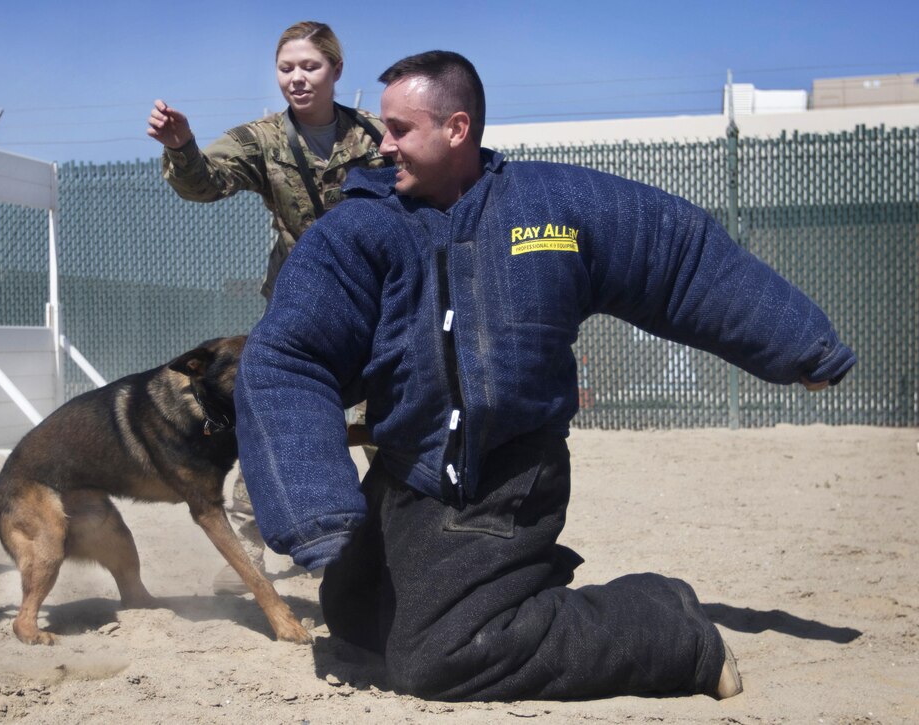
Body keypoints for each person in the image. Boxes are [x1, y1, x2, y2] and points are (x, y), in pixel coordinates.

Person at [233, 50, 857, 701]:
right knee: (356, 611)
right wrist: (314, 498)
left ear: (457, 128)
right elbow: (289, 355)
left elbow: (677, 256)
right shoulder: (361, 228)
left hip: (509, 469)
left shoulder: (552, 204)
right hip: (407, 464)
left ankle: (670, 629)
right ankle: (510, 586)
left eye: (400, 129)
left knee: (441, 655)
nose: (382, 143)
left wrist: (801, 347)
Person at [146, 21, 386, 595]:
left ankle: (385, 539)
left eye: (310, 66)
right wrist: (182, 147)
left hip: (377, 299)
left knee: (391, 415)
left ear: (336, 71)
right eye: (286, 68)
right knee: (277, 412)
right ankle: (250, 548)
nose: (297, 78)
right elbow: (205, 184)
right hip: (299, 301)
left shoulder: (378, 137)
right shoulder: (262, 140)